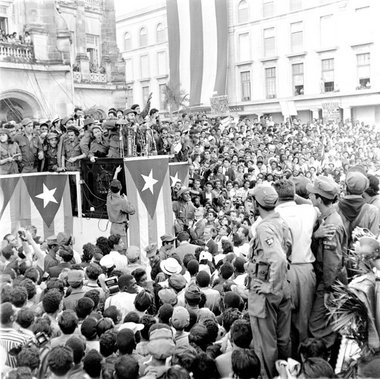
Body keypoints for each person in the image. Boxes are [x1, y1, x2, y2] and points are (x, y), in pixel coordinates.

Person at [247, 185, 292, 378]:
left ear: (257, 203)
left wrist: (269, 286)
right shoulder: (281, 221)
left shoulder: (264, 227)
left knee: (266, 346)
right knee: (283, 340)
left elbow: (279, 259)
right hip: (283, 285)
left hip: (266, 291)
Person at [273, 179, 317, 358]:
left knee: (284, 324)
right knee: (303, 322)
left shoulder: (271, 214)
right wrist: (294, 195)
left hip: (283, 271)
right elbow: (313, 205)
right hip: (306, 270)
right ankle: (306, 362)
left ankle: (287, 365)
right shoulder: (308, 210)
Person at [307, 176, 348, 356]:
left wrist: (329, 290)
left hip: (328, 283)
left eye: (313, 194)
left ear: (319, 198)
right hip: (328, 281)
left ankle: (325, 360)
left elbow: (332, 262)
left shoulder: (331, 225)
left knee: (317, 325)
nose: (310, 196)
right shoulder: (329, 216)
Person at [106, 165, 135, 245]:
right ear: (120, 188)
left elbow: (112, 184)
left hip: (113, 227)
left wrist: (116, 172)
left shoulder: (109, 197)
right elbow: (132, 210)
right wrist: (127, 200)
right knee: (122, 249)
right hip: (120, 228)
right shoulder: (122, 201)